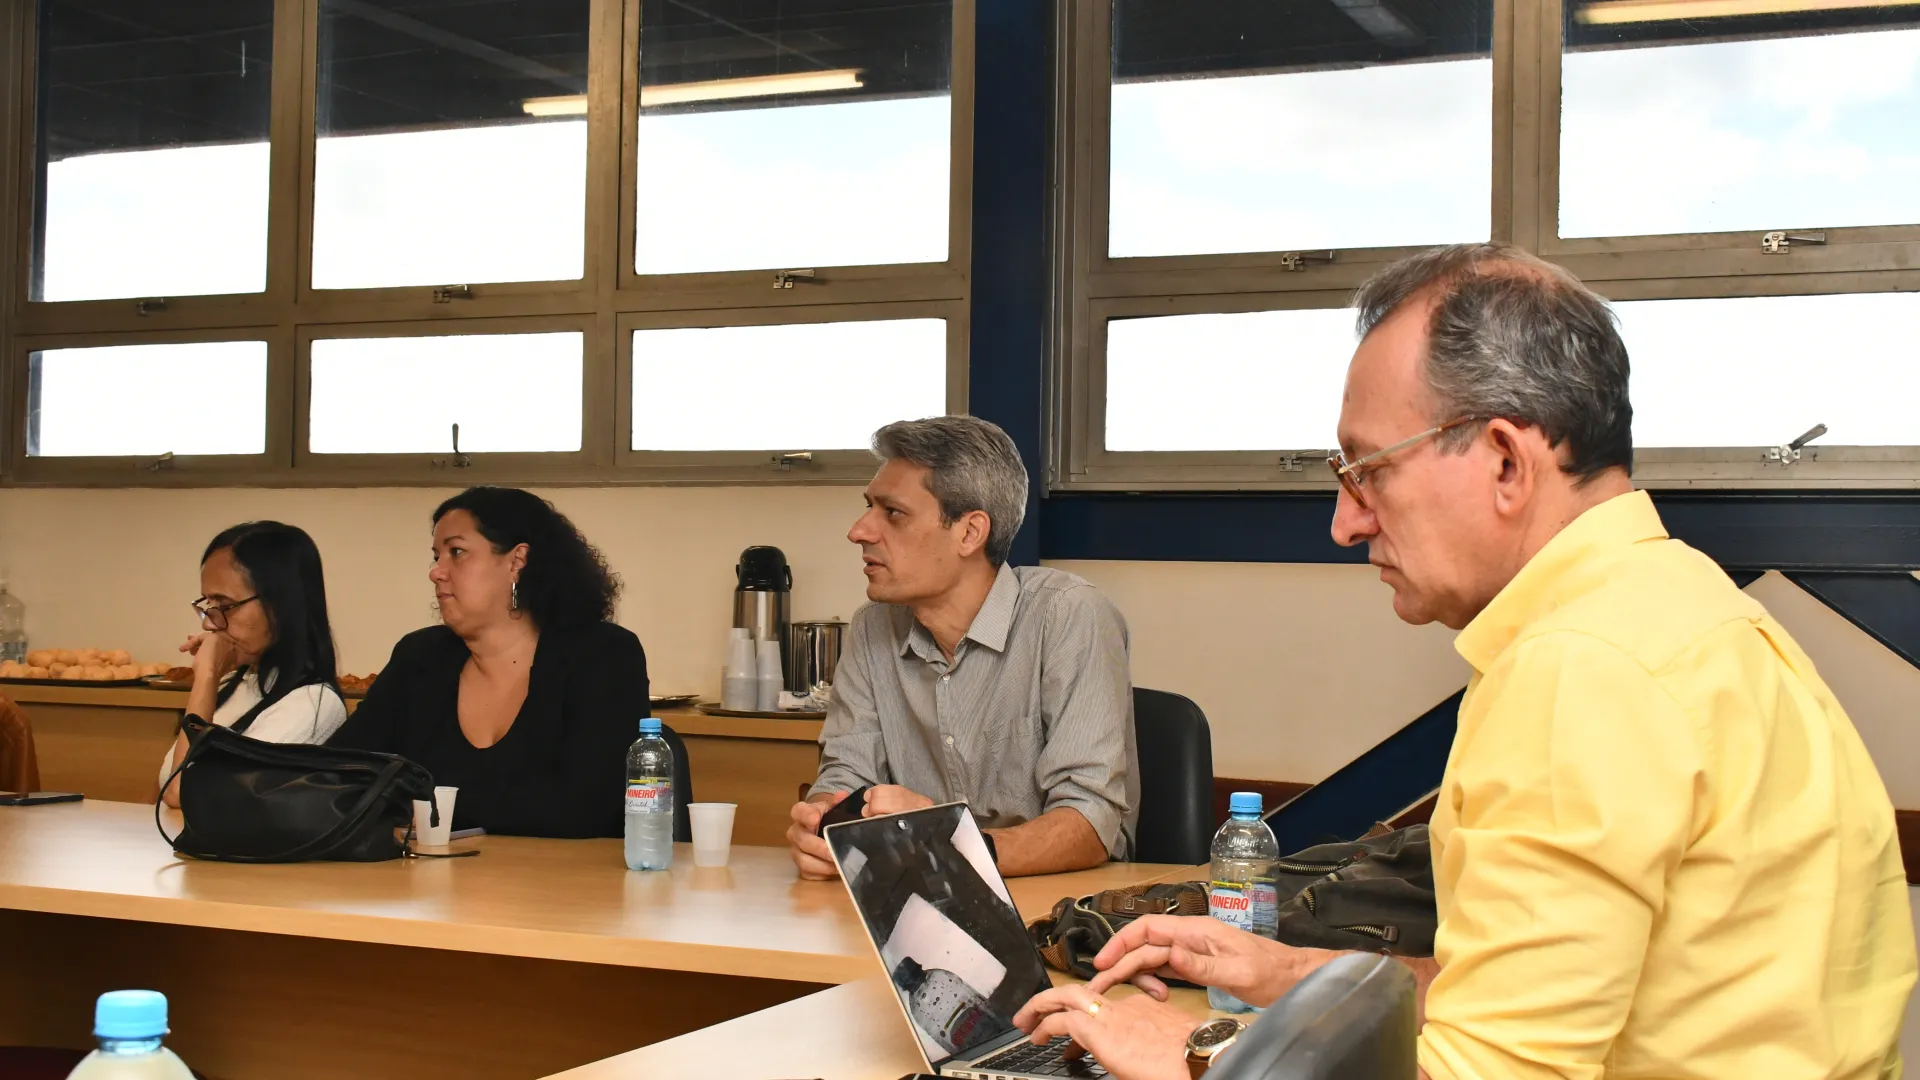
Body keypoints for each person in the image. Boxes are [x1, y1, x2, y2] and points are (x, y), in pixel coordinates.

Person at [1013, 243, 1916, 1080]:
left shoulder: (1580, 670)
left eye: (1369, 470)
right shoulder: (1683, 608)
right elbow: (1530, 1001)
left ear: (1506, 461)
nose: (1345, 521)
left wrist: (1195, 1054)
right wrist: (1286, 971)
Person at [786, 415, 1138, 880]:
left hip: (1058, 905)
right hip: (916, 900)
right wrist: (823, 823)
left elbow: (1091, 823)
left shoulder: (1069, 614)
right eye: (869, 508)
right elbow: (845, 774)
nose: (859, 531)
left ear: (970, 533)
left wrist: (951, 845)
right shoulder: (872, 628)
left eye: (893, 513)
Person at [327, 486, 658, 839]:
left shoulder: (602, 654)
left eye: (456, 552)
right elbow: (336, 773)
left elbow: (588, 806)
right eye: (436, 556)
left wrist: (427, 806)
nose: (436, 572)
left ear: (517, 561)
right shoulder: (420, 657)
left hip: (566, 872)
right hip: (433, 871)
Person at [159, 522, 348, 808]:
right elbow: (160, 788)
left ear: (281, 605)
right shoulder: (234, 683)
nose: (210, 623)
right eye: (208, 605)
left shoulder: (313, 704)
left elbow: (182, 791)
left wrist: (207, 675)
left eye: (225, 606)